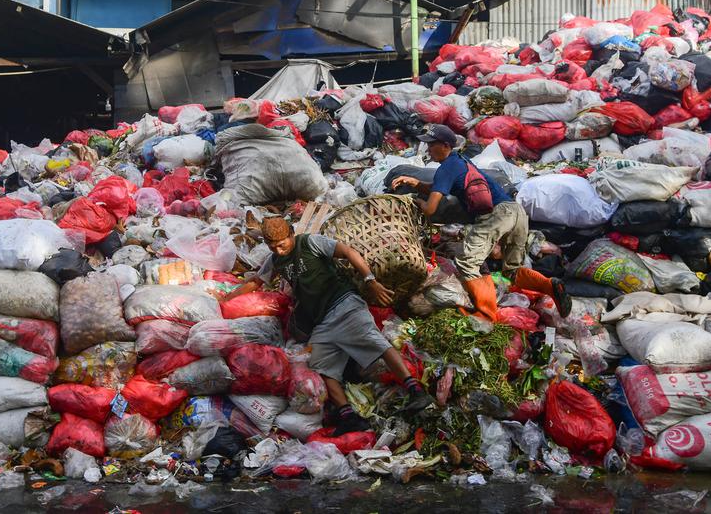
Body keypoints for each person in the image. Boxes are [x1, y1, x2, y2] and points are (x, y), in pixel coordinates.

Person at [216, 217, 434, 434]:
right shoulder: (275, 261)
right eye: (273, 247)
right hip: (323, 321)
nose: (279, 251)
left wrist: (370, 280)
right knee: (320, 367)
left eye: (282, 244)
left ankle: (415, 390)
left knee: (376, 342)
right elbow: (256, 281)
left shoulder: (310, 243)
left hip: (345, 304)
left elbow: (348, 252)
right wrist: (225, 300)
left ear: (291, 234)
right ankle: (349, 417)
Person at [392, 124, 568, 320]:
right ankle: (550, 286)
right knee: (512, 270)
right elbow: (437, 188)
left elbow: (430, 209)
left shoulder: (446, 168)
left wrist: (414, 200)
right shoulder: (460, 161)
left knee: (467, 262)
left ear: (445, 146)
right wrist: (415, 182)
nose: (428, 149)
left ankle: (486, 317)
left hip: (498, 215)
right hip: (516, 211)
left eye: (432, 145)